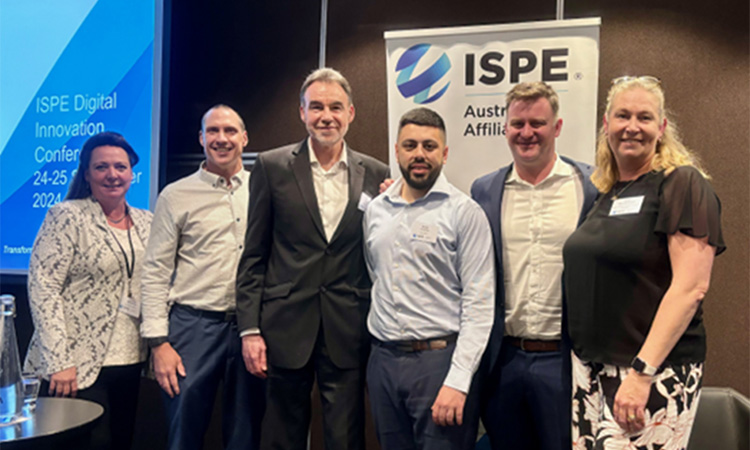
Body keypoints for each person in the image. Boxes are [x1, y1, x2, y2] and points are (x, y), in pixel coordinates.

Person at [563, 76, 724, 449]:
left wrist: (641, 372)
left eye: (644, 117)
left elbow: (691, 288)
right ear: (606, 124)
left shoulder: (682, 184)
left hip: (649, 376)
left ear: (662, 127)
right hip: (592, 375)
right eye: (622, 116)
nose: (632, 127)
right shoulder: (605, 193)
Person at [236, 67, 389, 450]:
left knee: (345, 436)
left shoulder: (376, 172)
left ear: (351, 113)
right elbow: (254, 254)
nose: (326, 116)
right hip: (284, 326)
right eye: (316, 106)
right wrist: (249, 330)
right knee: (282, 436)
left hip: (349, 327)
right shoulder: (271, 167)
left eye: (335, 107)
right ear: (301, 112)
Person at [471, 81, 598, 449]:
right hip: (503, 360)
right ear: (505, 128)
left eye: (537, 123)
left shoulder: (590, 185)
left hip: (564, 361)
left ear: (556, 128)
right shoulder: (484, 190)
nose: (527, 133)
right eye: (517, 124)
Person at [364, 107, 494, 449]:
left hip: (439, 364)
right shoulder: (376, 210)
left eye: (429, 146)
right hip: (383, 362)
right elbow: (375, 275)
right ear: (396, 151)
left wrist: (459, 379)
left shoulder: (465, 213)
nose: (419, 154)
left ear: (444, 153)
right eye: (410, 145)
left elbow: (479, 305)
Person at [140, 105, 265, 450]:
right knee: (184, 433)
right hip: (191, 328)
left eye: (229, 131)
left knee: (246, 435)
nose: (221, 139)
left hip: (251, 329)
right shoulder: (176, 195)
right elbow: (155, 271)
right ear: (201, 138)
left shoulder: (264, 189)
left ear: (244, 138)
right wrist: (158, 343)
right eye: (212, 131)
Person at [24, 131, 152, 450]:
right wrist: (58, 361)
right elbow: (43, 287)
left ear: (132, 173)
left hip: (131, 357)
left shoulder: (147, 221)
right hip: (75, 363)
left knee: (121, 442)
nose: (112, 175)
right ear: (87, 174)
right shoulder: (66, 216)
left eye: (120, 167)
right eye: (101, 167)